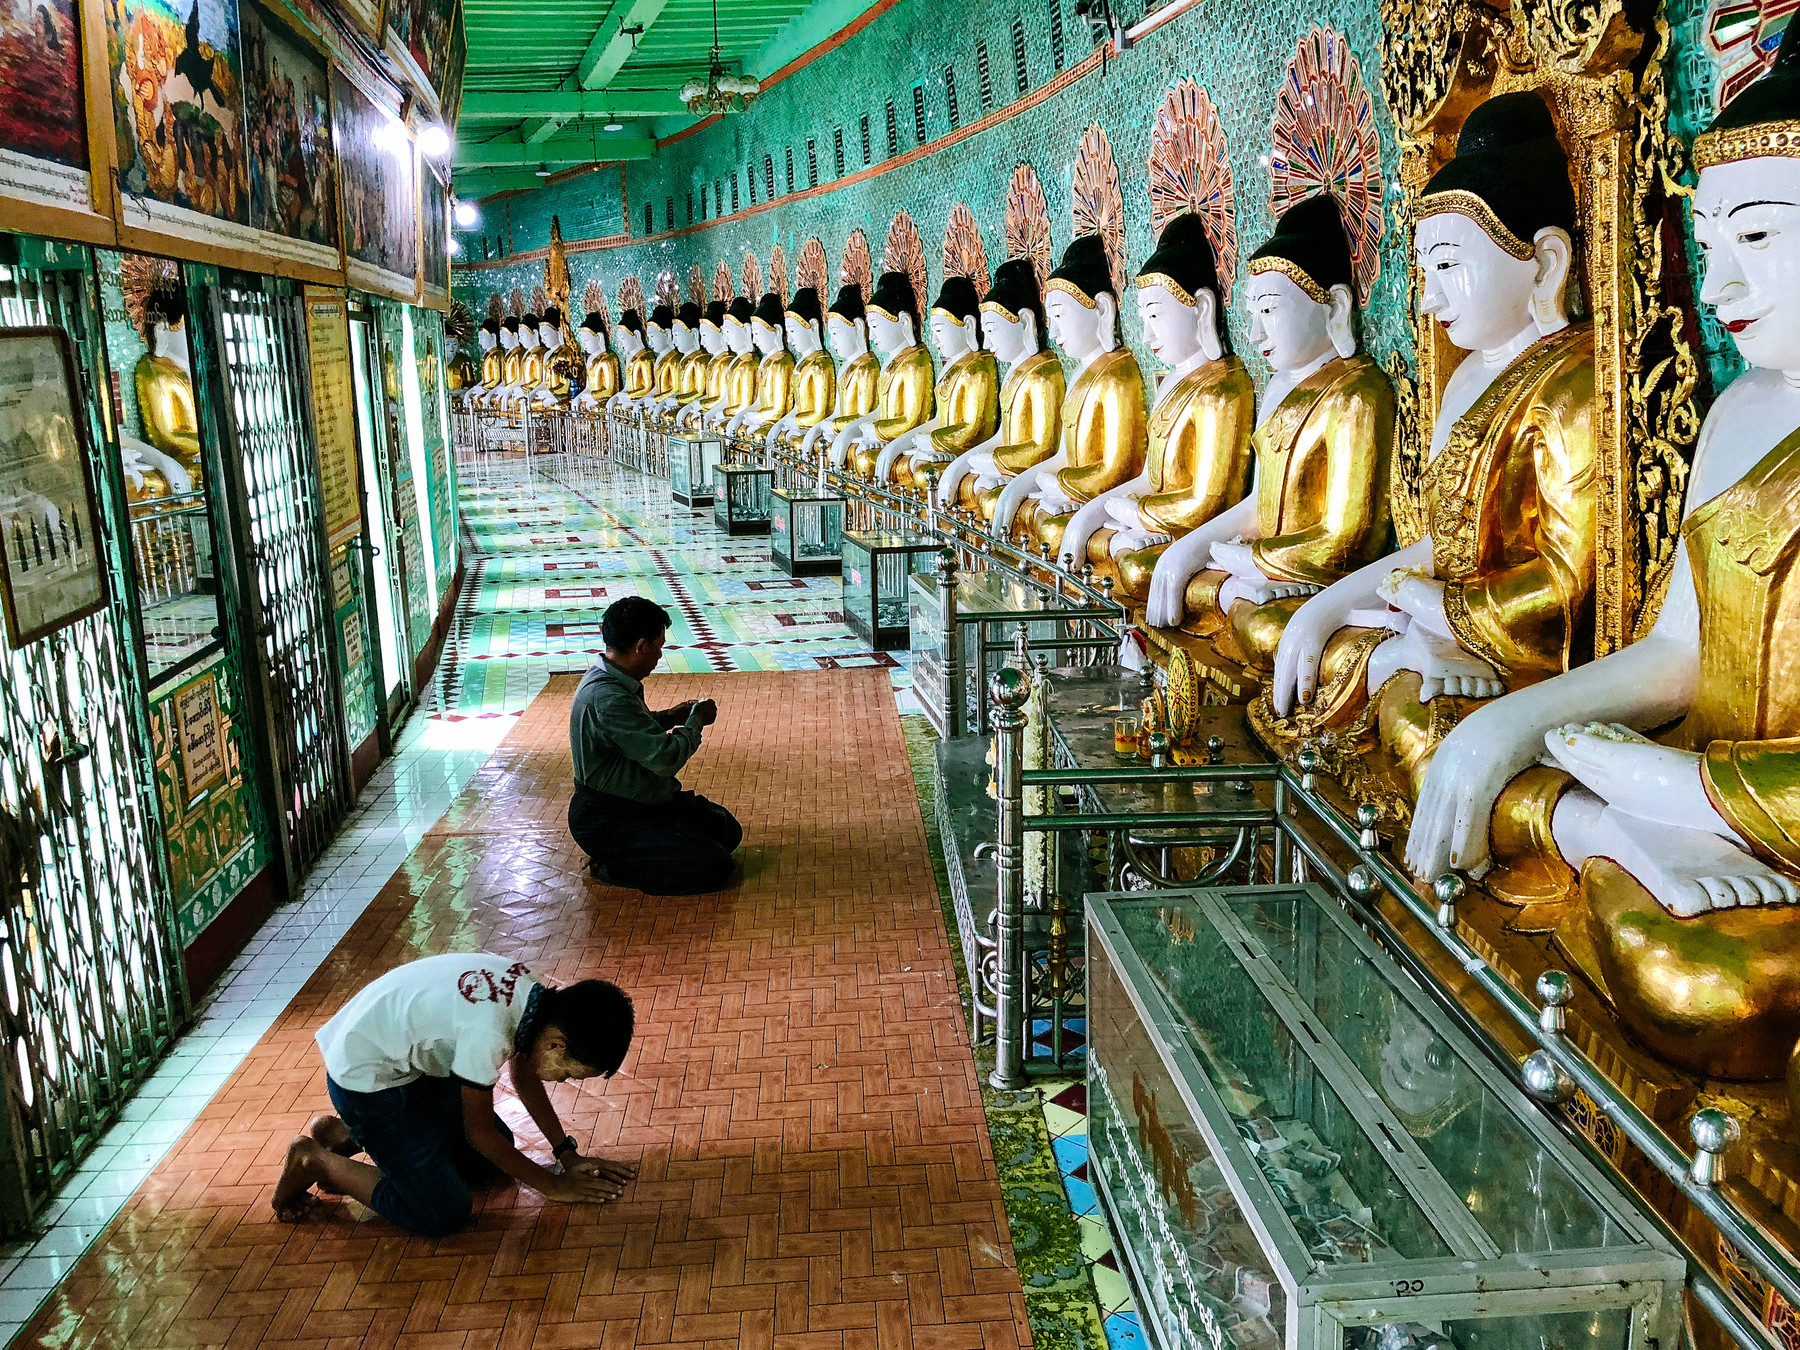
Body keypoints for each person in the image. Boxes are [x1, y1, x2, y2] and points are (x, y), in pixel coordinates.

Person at [271, 954, 636, 1236]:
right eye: (569, 1072)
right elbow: (480, 1133)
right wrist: (552, 1185)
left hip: (407, 1066)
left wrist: (566, 1154)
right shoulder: (488, 1034)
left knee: (489, 1160)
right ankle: (316, 1159)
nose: (561, 1081)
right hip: (367, 1083)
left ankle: (344, 1134)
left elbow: (524, 1077)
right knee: (442, 1212)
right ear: (557, 1044)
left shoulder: (535, 996)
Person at [568, 595, 742, 893]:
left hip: (646, 801)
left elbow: (634, 730)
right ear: (641, 647)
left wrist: (670, 716)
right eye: (659, 647)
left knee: (726, 830)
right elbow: (665, 758)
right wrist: (694, 722)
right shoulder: (608, 697)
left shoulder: (612, 678)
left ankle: (645, 848)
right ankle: (612, 863)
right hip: (610, 816)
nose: (660, 656)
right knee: (713, 865)